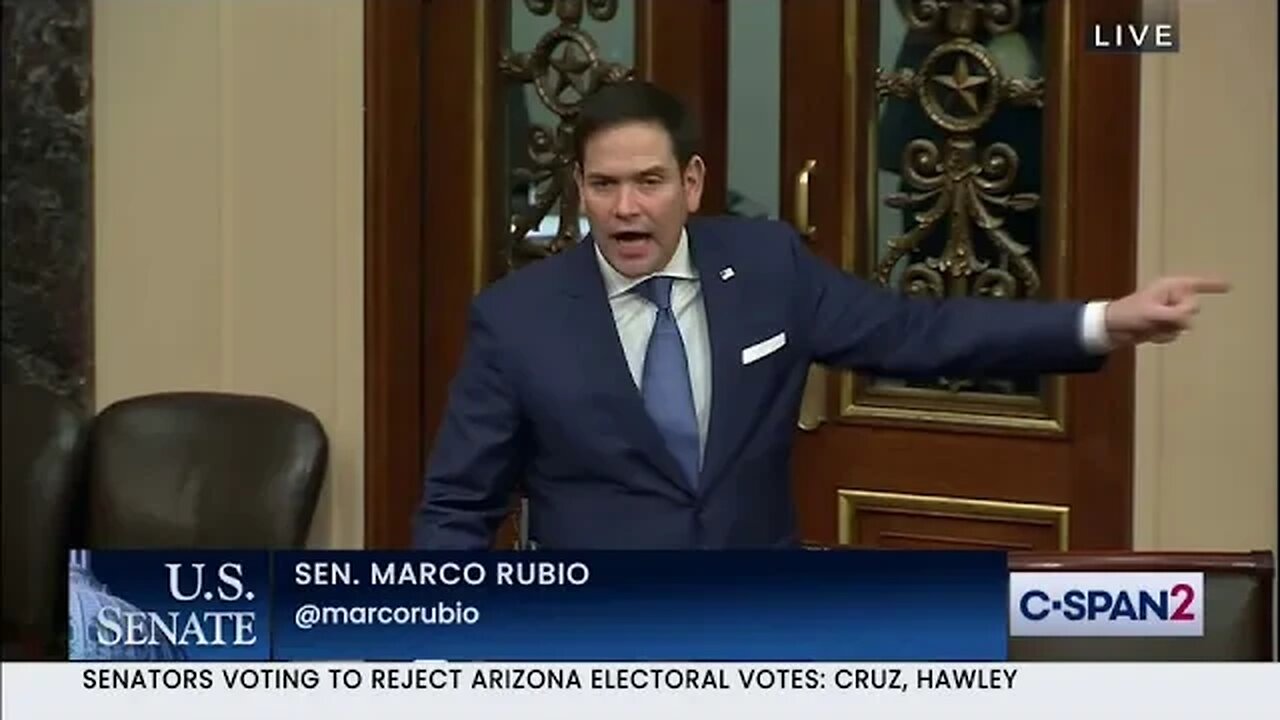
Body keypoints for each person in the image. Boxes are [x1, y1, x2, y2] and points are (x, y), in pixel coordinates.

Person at [412, 80, 1227, 551]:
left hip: (763, 629)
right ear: (581, 189)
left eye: (650, 182)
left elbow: (916, 332)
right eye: (604, 186)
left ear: (691, 184)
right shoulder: (517, 320)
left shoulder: (767, 267)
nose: (627, 209)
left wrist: (1100, 322)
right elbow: (457, 507)